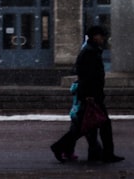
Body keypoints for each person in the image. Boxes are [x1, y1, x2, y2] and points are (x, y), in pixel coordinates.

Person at [49, 25, 124, 164]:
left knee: (86, 127)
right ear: (95, 36)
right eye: (101, 36)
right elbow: (86, 76)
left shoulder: (91, 50)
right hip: (92, 96)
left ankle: (95, 153)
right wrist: (89, 95)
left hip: (92, 94)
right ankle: (106, 154)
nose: (103, 38)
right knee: (99, 125)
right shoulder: (90, 52)